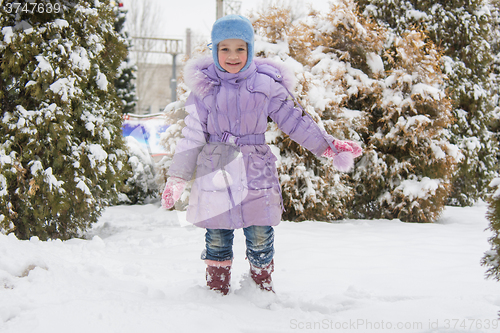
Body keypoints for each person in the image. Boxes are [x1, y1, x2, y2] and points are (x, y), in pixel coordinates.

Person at [161, 15, 362, 295]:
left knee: (260, 233)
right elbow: (191, 135)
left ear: (250, 49)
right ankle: (216, 292)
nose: (233, 56)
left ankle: (261, 288)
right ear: (215, 50)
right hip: (216, 169)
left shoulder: (266, 85)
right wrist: (177, 177)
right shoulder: (205, 89)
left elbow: (295, 119)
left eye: (240, 48)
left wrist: (326, 146)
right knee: (217, 235)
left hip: (256, 167)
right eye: (225, 49)